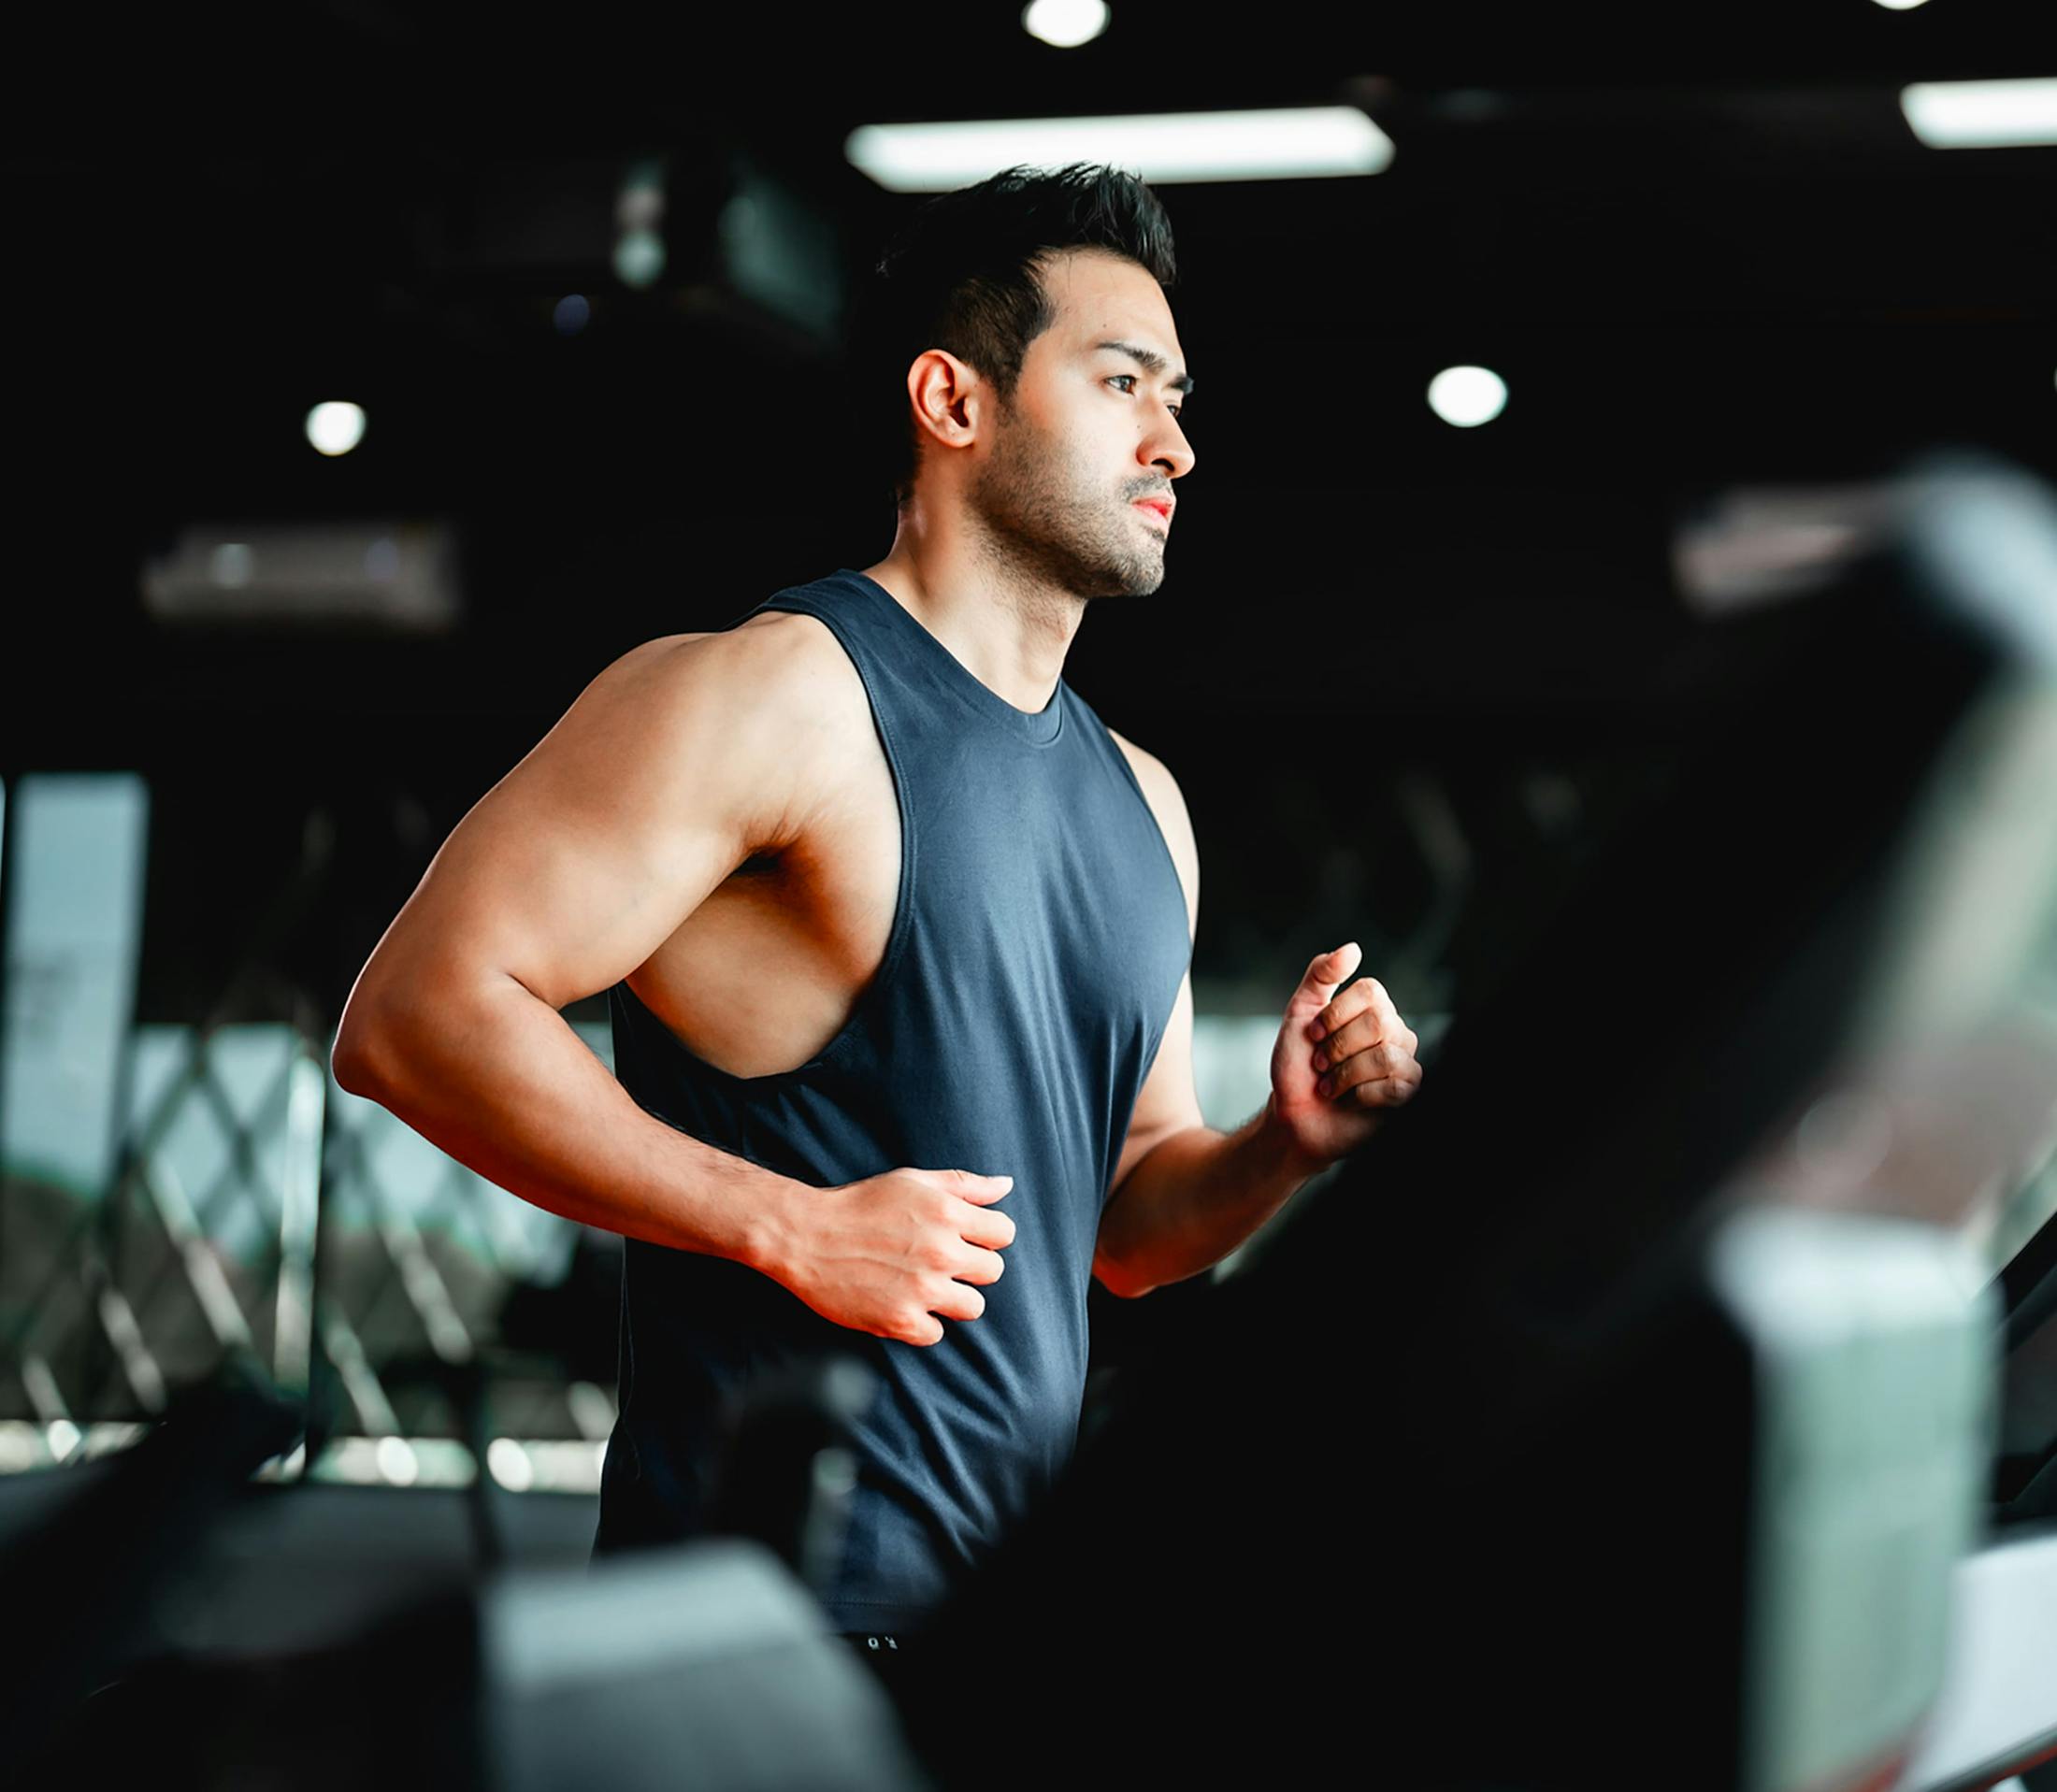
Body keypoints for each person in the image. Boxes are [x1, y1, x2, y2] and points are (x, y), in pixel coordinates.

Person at [328, 162, 1424, 1659]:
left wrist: (1280, 1146)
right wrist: (788, 1225)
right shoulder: (775, 695)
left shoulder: (1145, 805)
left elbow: (1122, 1229)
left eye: (1177, 396)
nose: (1173, 440)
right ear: (954, 402)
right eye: (1122, 383)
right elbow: (412, 1020)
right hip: (754, 1641)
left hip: (998, 1642)